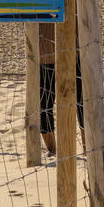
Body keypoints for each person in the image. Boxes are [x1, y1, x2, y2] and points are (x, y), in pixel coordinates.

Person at [36, 22, 83, 157]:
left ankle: (87, 148)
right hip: (43, 53)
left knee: (82, 102)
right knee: (43, 105)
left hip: (73, 51)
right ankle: (52, 150)